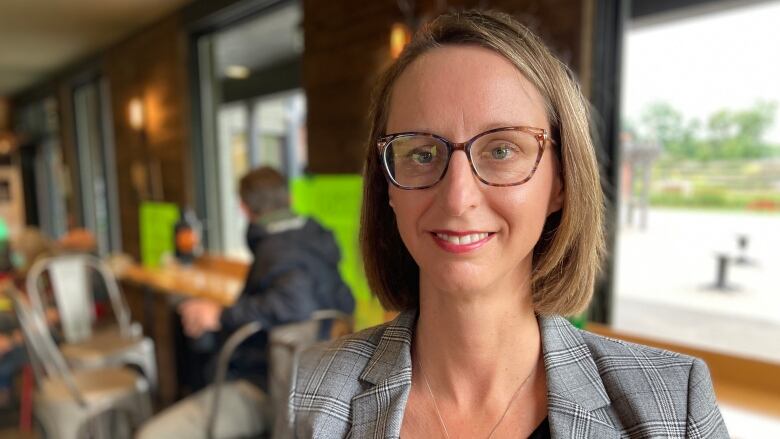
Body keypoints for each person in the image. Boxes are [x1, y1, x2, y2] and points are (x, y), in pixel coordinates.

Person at [289, 10, 728, 438]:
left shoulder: (674, 404)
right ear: (388, 188)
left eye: (501, 150)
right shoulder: (303, 393)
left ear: (560, 182)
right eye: (422, 153)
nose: (458, 199)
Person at [137, 166, 355, 438]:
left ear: (243, 207)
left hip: (270, 389)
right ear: (288, 198)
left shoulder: (276, 250)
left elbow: (295, 303)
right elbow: (345, 302)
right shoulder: (316, 241)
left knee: (150, 434)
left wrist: (220, 316)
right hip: (322, 391)